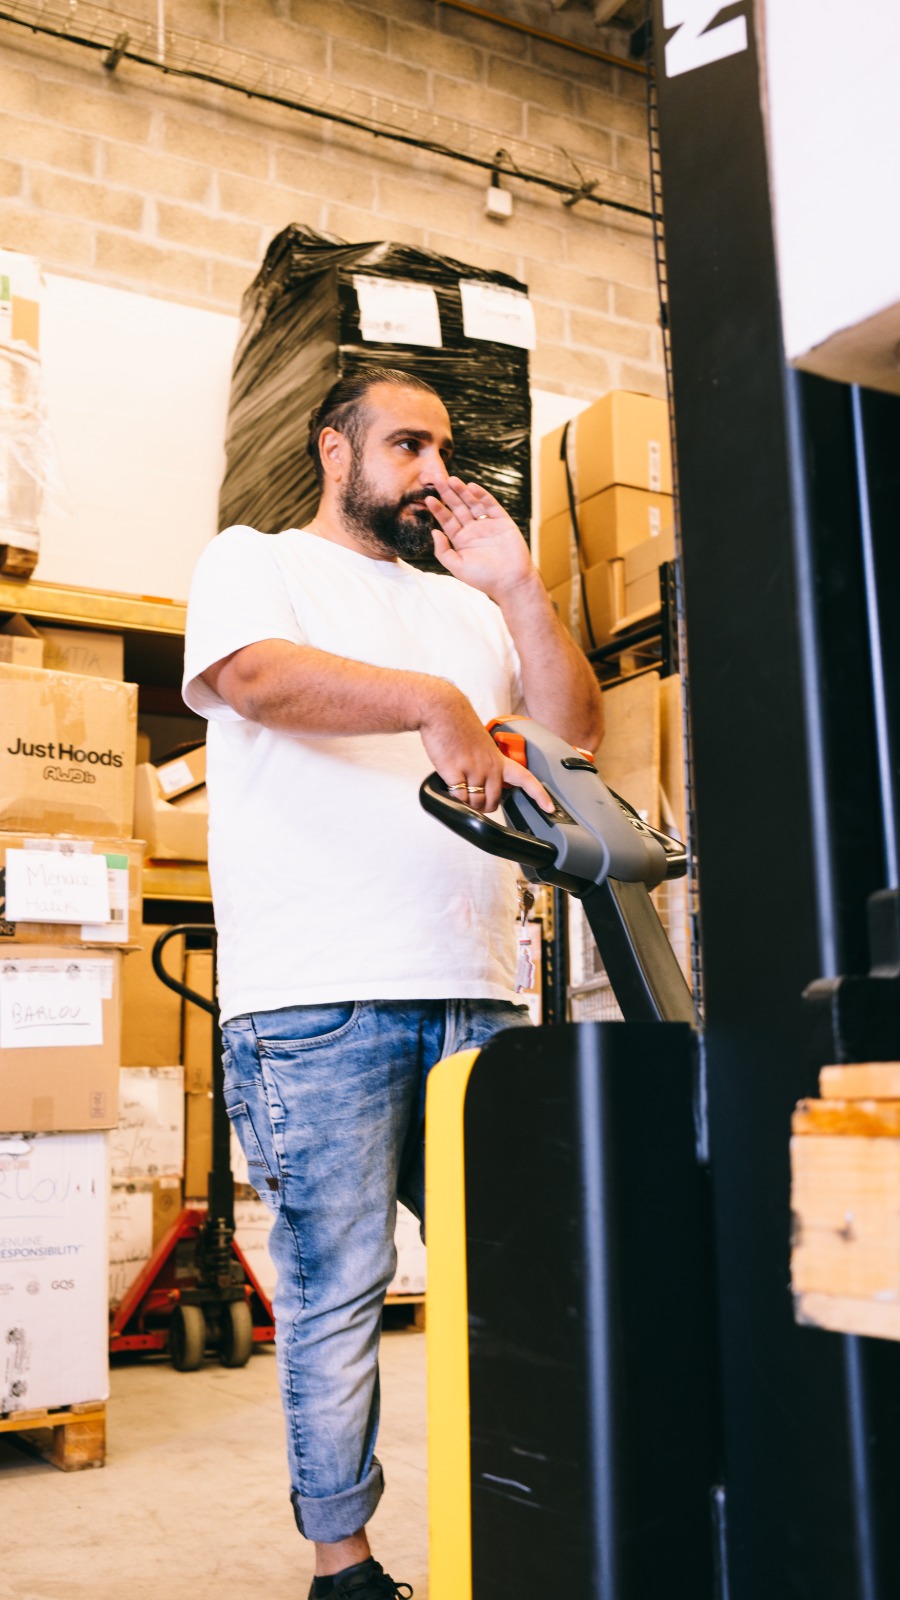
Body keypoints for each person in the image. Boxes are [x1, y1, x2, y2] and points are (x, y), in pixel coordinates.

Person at [182, 365, 603, 1599]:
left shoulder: (468, 611)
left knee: (520, 1271)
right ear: (336, 450)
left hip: (474, 990)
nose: (435, 473)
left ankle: (525, 1523)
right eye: (408, 445)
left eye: (445, 451)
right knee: (338, 1286)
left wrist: (518, 589)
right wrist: (430, 702)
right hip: (319, 996)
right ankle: (346, 1566)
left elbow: (574, 739)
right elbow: (256, 681)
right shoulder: (256, 562)